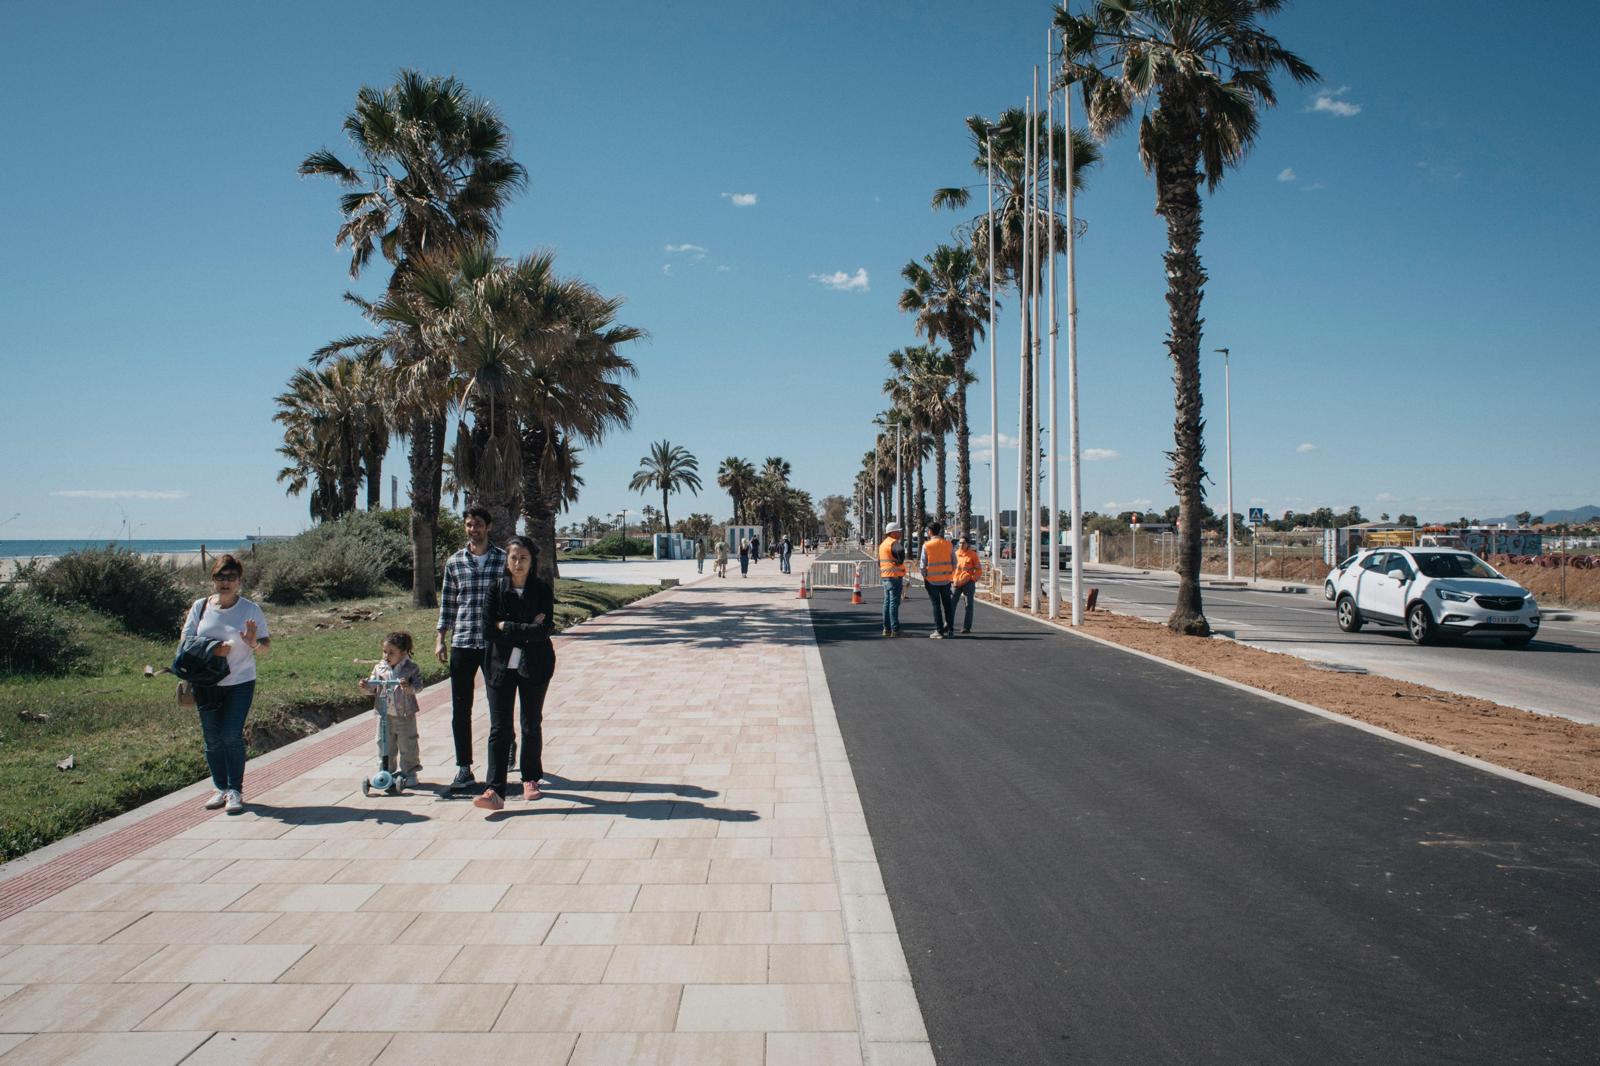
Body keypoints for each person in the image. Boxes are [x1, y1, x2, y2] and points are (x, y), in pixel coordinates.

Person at [475, 536, 556, 812]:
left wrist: (506, 626)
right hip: (499, 667)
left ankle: (530, 779)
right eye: (513, 557)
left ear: (532, 561)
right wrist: (526, 627)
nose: (518, 563)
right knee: (499, 728)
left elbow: (544, 630)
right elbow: (488, 630)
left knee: (530, 723)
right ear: (506, 561)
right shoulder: (495, 589)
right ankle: (494, 790)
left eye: (523, 558)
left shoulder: (541, 589)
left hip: (535, 665)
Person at [184, 554, 270, 814]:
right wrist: (213, 649)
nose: (226, 582)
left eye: (231, 577)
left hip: (240, 681)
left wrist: (252, 643)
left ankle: (235, 790)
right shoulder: (200, 607)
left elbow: (265, 646)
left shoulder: (250, 610)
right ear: (213, 579)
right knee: (212, 737)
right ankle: (219, 788)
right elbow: (186, 641)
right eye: (220, 577)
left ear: (239, 581)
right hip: (206, 682)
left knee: (231, 734)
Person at [436, 506, 507, 792]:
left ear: (488, 526)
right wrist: (440, 638)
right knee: (461, 707)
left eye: (478, 524)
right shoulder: (455, 562)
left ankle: (506, 748)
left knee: (498, 703)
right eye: (469, 524)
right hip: (463, 642)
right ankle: (464, 767)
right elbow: (448, 603)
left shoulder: (503, 559)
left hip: (494, 643)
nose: (473, 529)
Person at [360, 631, 424, 786]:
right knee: (384, 743)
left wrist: (408, 687)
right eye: (384, 652)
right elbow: (373, 688)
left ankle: (410, 772)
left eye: (391, 652)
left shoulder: (411, 668)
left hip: (405, 714)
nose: (386, 656)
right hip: (384, 713)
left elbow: (418, 686)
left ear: (403, 652)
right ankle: (386, 771)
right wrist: (366, 686)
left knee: (408, 743)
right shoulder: (380, 668)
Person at [920, 521, 956, 638]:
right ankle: (950, 630)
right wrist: (949, 573)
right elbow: (954, 562)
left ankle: (939, 631)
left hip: (932, 581)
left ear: (930, 531)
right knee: (947, 605)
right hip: (946, 580)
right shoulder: (948, 544)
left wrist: (925, 576)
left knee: (936, 605)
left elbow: (922, 565)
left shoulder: (927, 545)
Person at [877, 521, 906, 637]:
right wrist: (899, 562)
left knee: (887, 602)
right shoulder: (894, 543)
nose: (900, 533)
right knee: (894, 603)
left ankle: (886, 629)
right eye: (898, 531)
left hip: (885, 576)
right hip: (894, 577)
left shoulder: (882, 544)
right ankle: (895, 630)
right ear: (893, 533)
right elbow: (901, 552)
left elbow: (879, 562)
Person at [952, 534, 984, 635]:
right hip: (956, 583)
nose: (961, 544)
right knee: (951, 604)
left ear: (968, 544)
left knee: (968, 605)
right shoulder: (955, 554)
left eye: (963, 543)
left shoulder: (972, 555)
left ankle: (967, 627)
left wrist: (973, 579)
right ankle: (947, 625)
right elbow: (951, 568)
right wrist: (952, 579)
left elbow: (978, 569)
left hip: (968, 583)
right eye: (960, 543)